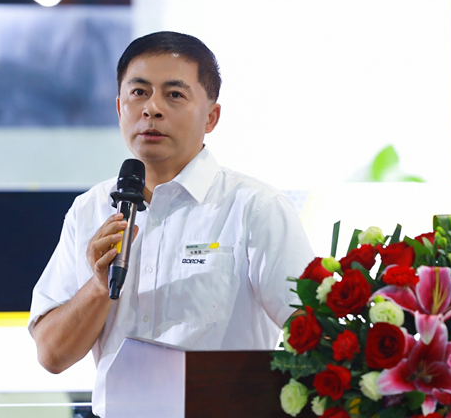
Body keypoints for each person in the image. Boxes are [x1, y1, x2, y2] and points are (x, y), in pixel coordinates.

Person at [28, 31, 314, 417]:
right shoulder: (89, 209)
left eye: (174, 94)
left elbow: (316, 336)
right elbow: (52, 355)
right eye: (139, 92)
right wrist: (97, 286)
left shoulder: (255, 208)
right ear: (119, 107)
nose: (152, 108)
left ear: (211, 117)